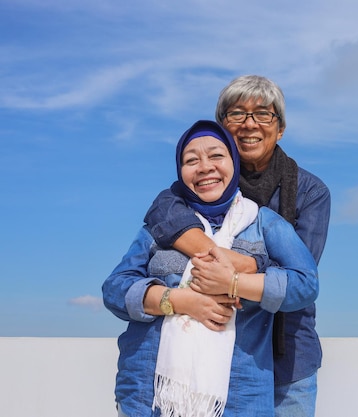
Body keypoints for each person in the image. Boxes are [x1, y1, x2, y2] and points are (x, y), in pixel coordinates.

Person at [102, 120, 319, 417]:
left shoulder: (265, 223)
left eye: (217, 156)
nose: (205, 167)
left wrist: (232, 282)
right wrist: (177, 301)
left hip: (240, 400)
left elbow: (305, 284)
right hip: (148, 397)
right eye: (191, 160)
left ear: (234, 162)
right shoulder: (159, 228)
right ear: (181, 172)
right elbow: (115, 288)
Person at [144, 75, 331, 417]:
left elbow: (300, 276)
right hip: (216, 350)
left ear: (281, 128)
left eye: (263, 114)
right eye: (236, 115)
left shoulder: (310, 192)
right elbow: (161, 211)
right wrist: (224, 261)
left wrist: (240, 270)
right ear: (221, 127)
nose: (249, 125)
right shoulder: (199, 183)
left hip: (288, 355)